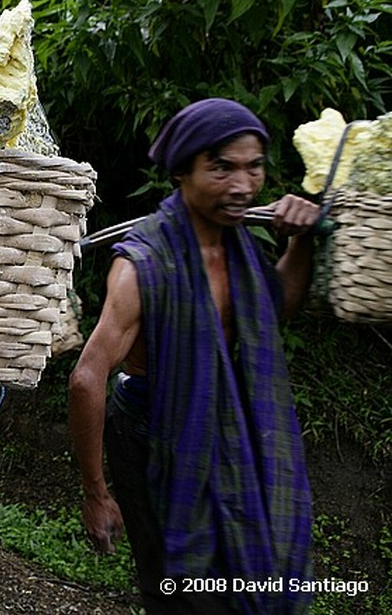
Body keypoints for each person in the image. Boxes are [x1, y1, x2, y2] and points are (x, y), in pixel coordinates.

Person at [68, 98, 319, 614]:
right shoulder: (144, 265)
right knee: (177, 585)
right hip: (151, 430)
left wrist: (303, 243)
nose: (243, 185)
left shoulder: (241, 245)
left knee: (249, 568)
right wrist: (96, 492)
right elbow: (86, 379)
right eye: (222, 168)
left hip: (231, 425)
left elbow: (277, 307)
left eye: (254, 167)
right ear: (183, 171)